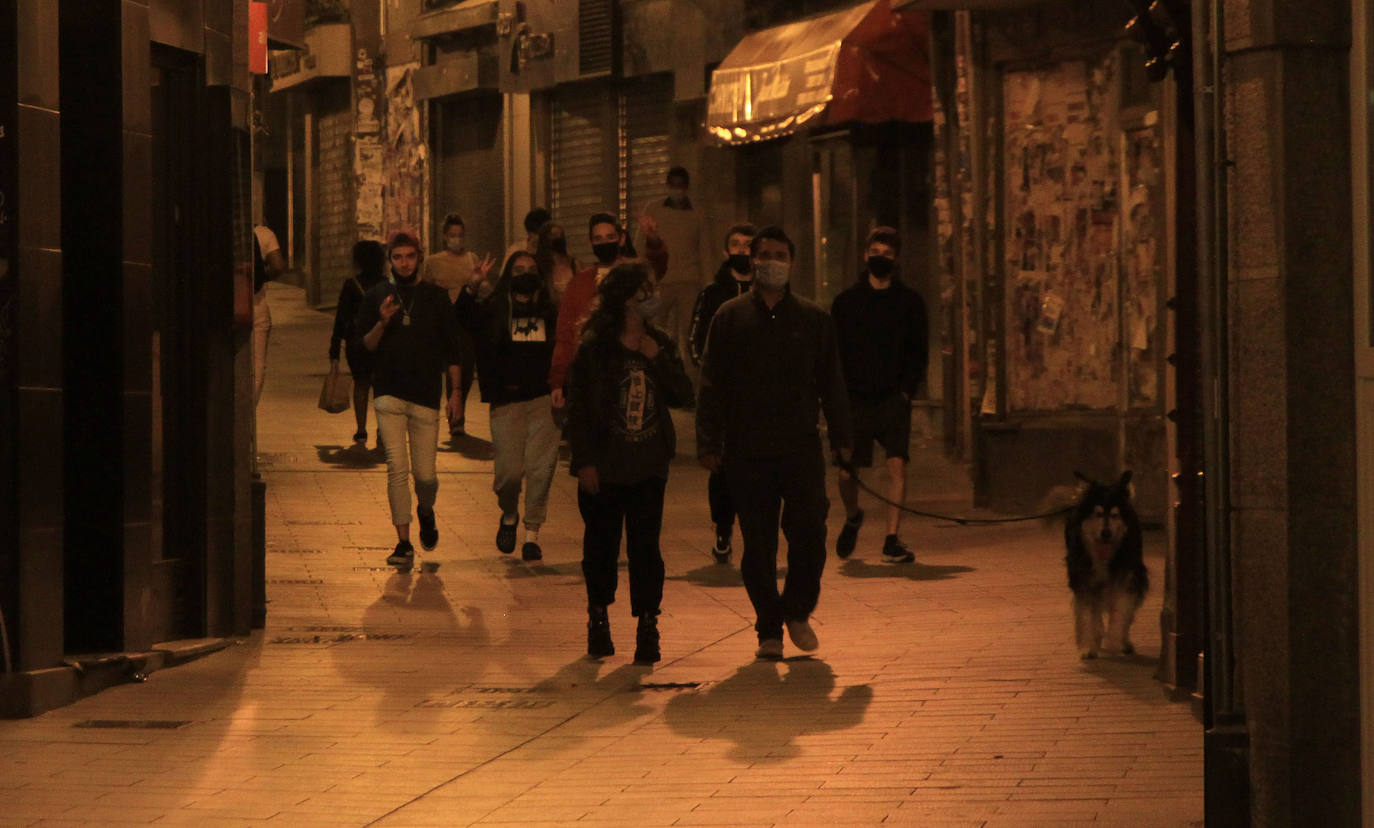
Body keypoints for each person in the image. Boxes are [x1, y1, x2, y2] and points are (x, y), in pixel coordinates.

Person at [696, 225, 852, 660]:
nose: (770, 261)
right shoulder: (729, 317)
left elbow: (832, 383)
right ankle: (769, 627)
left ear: (793, 262)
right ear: (752, 261)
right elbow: (712, 383)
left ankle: (798, 608)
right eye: (763, 254)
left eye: (779, 254)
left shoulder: (814, 319)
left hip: (800, 447)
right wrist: (709, 440)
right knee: (759, 543)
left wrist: (843, 439)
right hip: (747, 450)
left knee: (809, 532)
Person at [566, 263, 694, 663]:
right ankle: (598, 617)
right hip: (605, 468)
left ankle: (647, 625)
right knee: (601, 548)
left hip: (648, 465)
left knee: (646, 550)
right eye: (643, 291)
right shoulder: (595, 350)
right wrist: (584, 460)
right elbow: (579, 409)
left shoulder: (658, 342)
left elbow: (682, 394)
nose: (651, 297)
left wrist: (658, 358)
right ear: (624, 299)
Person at [353, 230, 464, 569]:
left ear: (420, 256)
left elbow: (452, 350)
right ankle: (403, 542)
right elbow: (365, 346)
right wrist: (382, 323)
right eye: (397, 257)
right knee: (397, 470)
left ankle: (426, 510)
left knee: (425, 476)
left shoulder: (435, 297)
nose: (404, 263)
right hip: (388, 393)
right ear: (390, 260)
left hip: (426, 397)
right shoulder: (376, 296)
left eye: (410, 256)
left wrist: (456, 393)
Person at [831, 226, 929, 563]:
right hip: (855, 399)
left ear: (896, 259)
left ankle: (891, 538)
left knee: (897, 466)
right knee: (846, 473)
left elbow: (919, 352)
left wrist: (905, 392)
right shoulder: (846, 303)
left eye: (887, 254)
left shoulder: (910, 303)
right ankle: (854, 515)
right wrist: (837, 394)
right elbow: (834, 351)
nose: (880, 258)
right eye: (875, 252)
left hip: (892, 398)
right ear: (865, 255)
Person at [455, 251, 560, 561]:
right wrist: (472, 286)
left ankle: (532, 535)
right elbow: (462, 319)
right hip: (506, 401)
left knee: (541, 470)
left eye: (530, 268)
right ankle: (509, 514)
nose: (524, 273)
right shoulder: (495, 308)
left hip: (544, 399)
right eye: (518, 269)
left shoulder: (551, 310)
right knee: (509, 474)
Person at [547, 212, 667, 413]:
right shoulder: (580, 283)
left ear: (620, 239)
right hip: (594, 372)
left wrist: (653, 240)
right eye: (598, 239)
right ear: (590, 242)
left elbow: (657, 266)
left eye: (610, 237)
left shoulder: (634, 273)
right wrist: (558, 380)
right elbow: (565, 333)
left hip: (633, 367)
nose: (604, 243)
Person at [687, 222, 755, 564]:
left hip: (760, 397)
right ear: (727, 250)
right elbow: (695, 338)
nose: (742, 250)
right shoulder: (712, 294)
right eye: (736, 244)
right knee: (723, 466)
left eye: (748, 244)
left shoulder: (770, 291)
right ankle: (723, 526)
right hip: (724, 395)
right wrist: (710, 372)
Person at [422, 213, 496, 438]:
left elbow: (483, 288)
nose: (457, 239)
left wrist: (482, 282)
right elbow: (426, 293)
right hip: (443, 321)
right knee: (449, 367)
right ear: (445, 237)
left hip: (466, 321)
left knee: (465, 369)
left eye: (460, 235)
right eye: (452, 235)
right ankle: (453, 415)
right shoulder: (433, 262)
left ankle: (458, 410)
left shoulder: (471, 259)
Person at [637, 166, 708, 355]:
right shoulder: (653, 209)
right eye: (674, 185)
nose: (677, 190)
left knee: (690, 334)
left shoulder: (698, 214)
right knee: (655, 330)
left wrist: (706, 284)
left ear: (687, 187)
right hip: (660, 281)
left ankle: (690, 378)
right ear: (668, 186)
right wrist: (643, 278)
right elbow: (641, 245)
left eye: (681, 186)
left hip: (689, 282)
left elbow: (705, 250)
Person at [330, 240, 387, 446]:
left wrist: (334, 351)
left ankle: (361, 429)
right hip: (381, 341)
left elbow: (341, 318)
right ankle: (382, 428)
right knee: (381, 387)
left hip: (356, 343)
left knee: (361, 385)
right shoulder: (386, 284)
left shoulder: (351, 284)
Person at [252, 224, 287, 406]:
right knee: (257, 367)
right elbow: (278, 266)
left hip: (226, 305)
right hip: (256, 305)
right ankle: (249, 410)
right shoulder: (264, 233)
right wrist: (260, 277)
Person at [535, 220, 578, 302]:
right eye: (554, 235)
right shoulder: (538, 267)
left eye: (561, 235)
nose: (559, 238)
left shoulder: (574, 263)